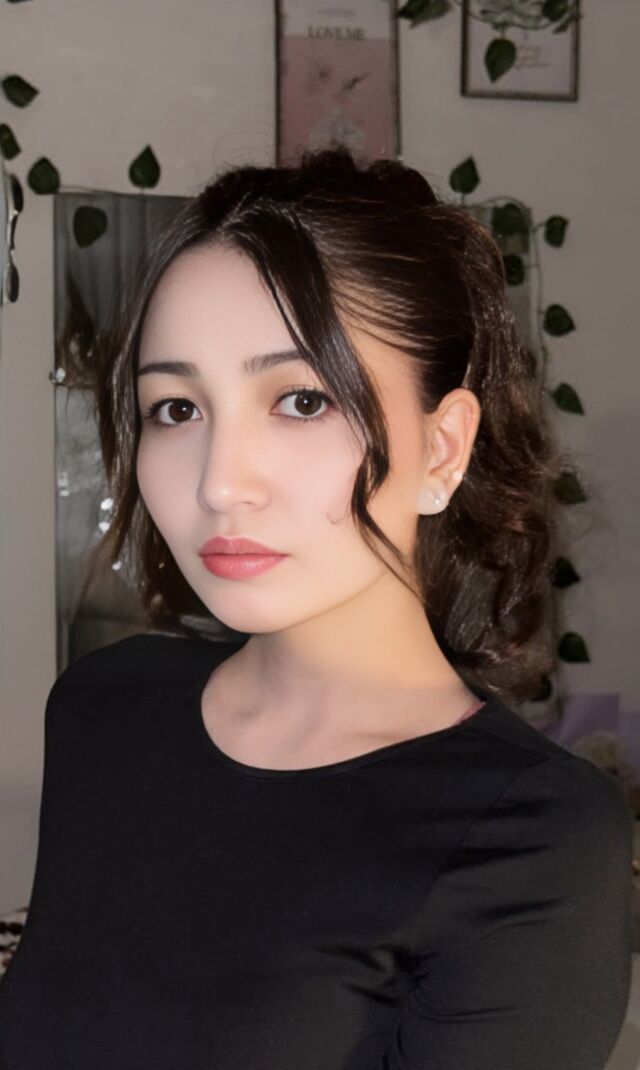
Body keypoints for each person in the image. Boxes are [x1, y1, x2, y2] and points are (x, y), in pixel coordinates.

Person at [0, 148, 633, 1069]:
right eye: (175, 409)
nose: (220, 483)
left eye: (301, 400)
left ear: (443, 450)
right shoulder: (105, 706)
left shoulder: (529, 838)